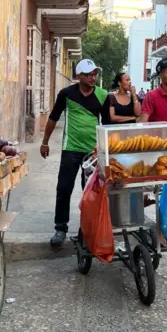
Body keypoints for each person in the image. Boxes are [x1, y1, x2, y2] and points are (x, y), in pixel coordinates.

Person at [40, 59, 109, 247]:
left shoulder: (103, 95)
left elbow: (108, 125)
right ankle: (60, 228)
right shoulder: (66, 94)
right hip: (70, 148)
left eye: (95, 74)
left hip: (93, 152)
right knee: (64, 188)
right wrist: (45, 142)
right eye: (89, 74)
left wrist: (103, 150)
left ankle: (88, 229)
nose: (93, 77)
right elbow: (53, 117)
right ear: (79, 76)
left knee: (92, 191)